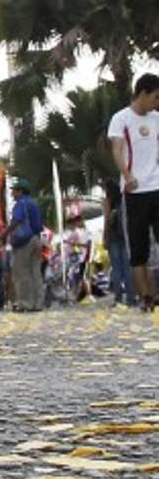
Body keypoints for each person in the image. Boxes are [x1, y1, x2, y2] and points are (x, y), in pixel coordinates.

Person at [107, 73, 159, 312]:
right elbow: (117, 150)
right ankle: (145, 296)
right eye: (155, 97)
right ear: (143, 93)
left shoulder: (157, 118)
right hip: (135, 191)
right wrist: (128, 176)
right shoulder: (121, 119)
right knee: (138, 248)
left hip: (157, 187)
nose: (157, 103)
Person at [0, 178, 44, 312]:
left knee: (21, 272)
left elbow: (16, 221)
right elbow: (38, 225)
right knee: (35, 272)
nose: (12, 193)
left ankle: (25, 302)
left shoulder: (20, 204)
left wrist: (4, 234)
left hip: (23, 241)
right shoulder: (34, 203)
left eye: (14, 190)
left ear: (20, 191)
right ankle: (38, 302)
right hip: (36, 238)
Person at [102, 182, 136, 307]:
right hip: (125, 236)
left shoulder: (107, 201)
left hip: (113, 237)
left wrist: (104, 237)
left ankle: (118, 298)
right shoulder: (123, 200)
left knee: (116, 269)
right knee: (127, 268)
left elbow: (107, 220)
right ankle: (131, 298)